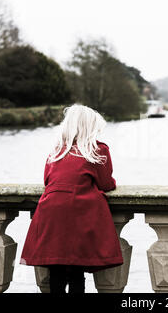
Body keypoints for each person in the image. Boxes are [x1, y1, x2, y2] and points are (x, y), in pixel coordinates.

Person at [20, 104, 123, 293]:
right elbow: (106, 184)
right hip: (77, 213)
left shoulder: (57, 151)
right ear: (90, 127)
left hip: (50, 212)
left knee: (56, 270)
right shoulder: (97, 150)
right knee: (76, 268)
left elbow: (47, 180)